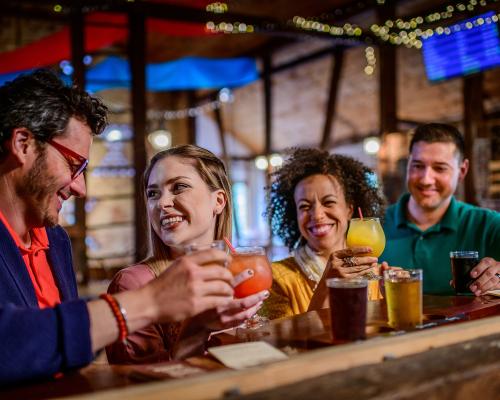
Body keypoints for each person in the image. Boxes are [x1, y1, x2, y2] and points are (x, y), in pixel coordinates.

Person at [0, 70, 242, 384]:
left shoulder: (55, 242)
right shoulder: (134, 281)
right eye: (75, 165)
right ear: (23, 144)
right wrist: (150, 302)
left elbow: (60, 360)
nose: (80, 188)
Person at [106, 145, 268, 364]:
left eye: (179, 187)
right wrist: (197, 329)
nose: (162, 203)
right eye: (153, 193)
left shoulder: (246, 270)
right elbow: (137, 384)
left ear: (218, 201)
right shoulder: (133, 284)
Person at [261, 148, 387, 320]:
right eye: (304, 206)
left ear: (349, 210)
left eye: (329, 202)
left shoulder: (375, 274)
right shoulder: (276, 278)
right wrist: (326, 285)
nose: (317, 215)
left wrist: (389, 302)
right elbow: (280, 342)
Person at [380, 123, 500, 295]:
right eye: (418, 165)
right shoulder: (375, 226)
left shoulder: (488, 225)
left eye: (439, 168)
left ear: (462, 171)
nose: (426, 179)